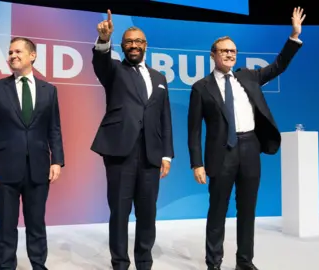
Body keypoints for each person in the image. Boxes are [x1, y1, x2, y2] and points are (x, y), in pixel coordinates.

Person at [187, 7, 306, 270]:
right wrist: (197, 163)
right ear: (213, 55)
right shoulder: (201, 88)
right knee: (217, 211)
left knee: (247, 210)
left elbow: (278, 66)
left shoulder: (248, 76)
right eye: (224, 51)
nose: (229, 54)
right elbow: (194, 130)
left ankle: (244, 262)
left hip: (250, 148)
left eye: (233, 51)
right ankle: (214, 262)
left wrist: (294, 36)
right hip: (221, 153)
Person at [91, 9, 174, 270]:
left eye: (138, 41)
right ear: (123, 46)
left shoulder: (159, 78)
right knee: (119, 212)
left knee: (147, 213)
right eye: (129, 41)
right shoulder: (114, 70)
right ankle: (120, 263)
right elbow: (100, 62)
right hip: (120, 152)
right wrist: (104, 40)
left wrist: (166, 154)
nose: (134, 45)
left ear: (146, 45)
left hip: (151, 154)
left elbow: (165, 118)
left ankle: (144, 262)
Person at [0, 37, 64, 270]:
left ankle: (38, 265)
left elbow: (54, 128)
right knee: (6, 224)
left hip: (38, 167)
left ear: (32, 56)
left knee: (37, 224)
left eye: (18, 52)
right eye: (10, 53)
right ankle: (6, 266)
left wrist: (57, 160)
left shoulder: (50, 90)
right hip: (4, 168)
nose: (12, 56)